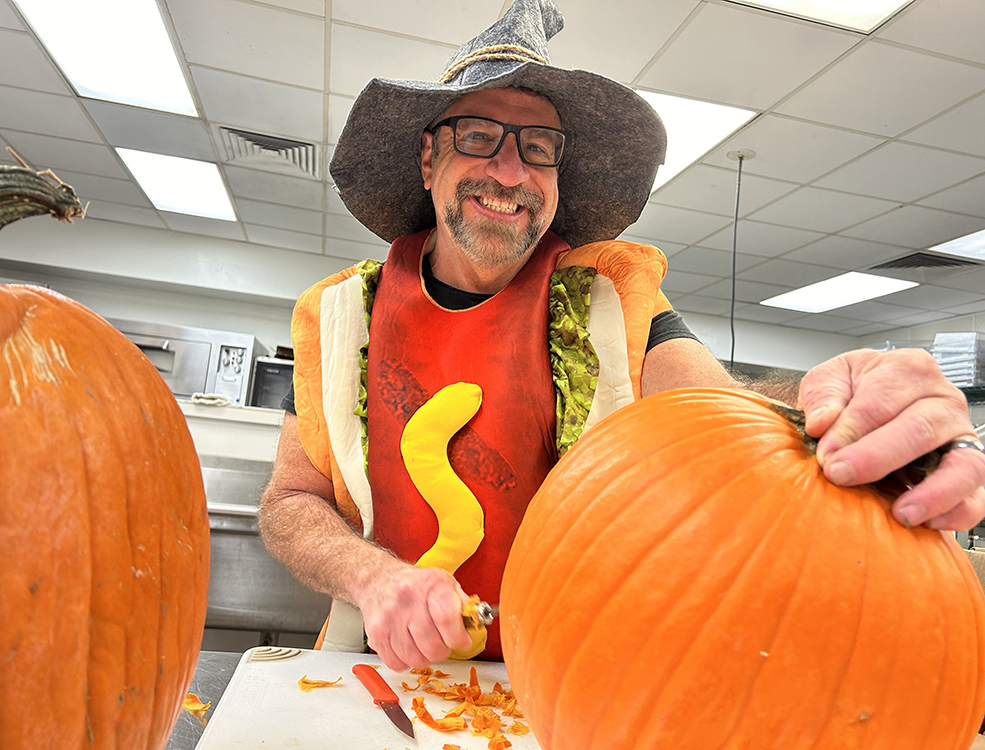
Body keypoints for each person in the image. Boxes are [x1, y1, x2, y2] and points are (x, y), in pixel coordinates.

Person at [259, 0, 985, 672]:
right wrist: (372, 575)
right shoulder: (338, 314)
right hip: (372, 673)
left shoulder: (609, 297)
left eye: (538, 148)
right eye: (478, 137)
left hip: (571, 681)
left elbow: (725, 416)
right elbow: (291, 501)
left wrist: (847, 414)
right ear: (428, 159)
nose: (509, 171)